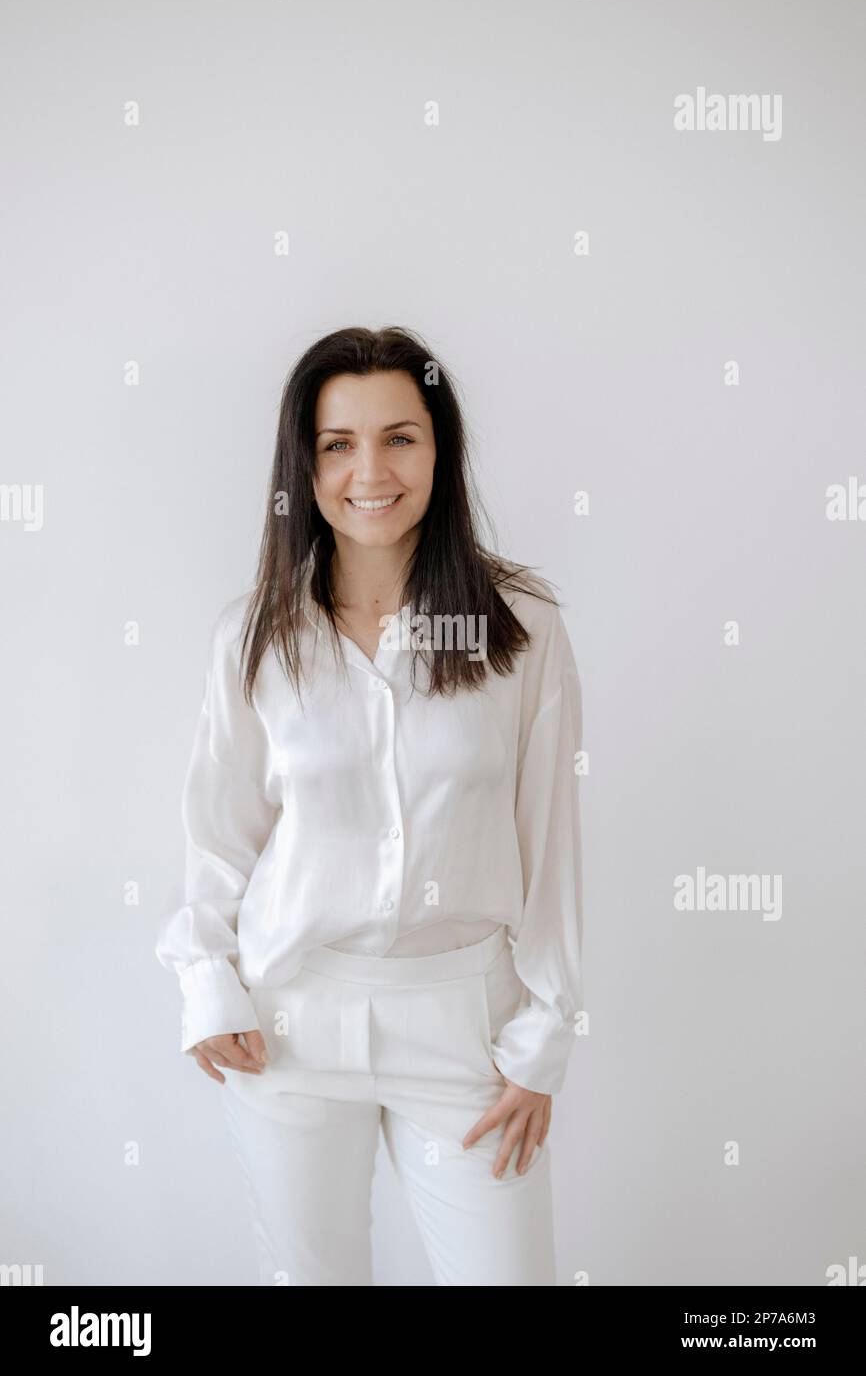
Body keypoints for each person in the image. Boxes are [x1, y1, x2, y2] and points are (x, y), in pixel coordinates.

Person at [155, 325, 584, 1286]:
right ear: (303, 467)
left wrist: (543, 1039)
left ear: (441, 449)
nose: (370, 471)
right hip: (289, 1027)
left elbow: (551, 840)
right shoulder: (256, 638)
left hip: (466, 1028)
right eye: (337, 444)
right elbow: (222, 838)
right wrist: (206, 985)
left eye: (400, 437)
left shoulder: (522, 628)